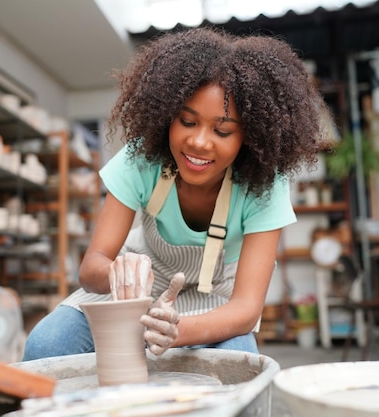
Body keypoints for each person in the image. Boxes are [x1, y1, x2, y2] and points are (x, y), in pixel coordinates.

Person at [23, 27, 329, 360]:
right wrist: (120, 275)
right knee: (47, 345)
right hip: (136, 292)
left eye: (223, 130)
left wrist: (176, 331)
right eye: (186, 121)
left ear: (250, 137)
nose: (199, 142)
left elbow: (246, 307)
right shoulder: (141, 158)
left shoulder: (265, 184)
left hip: (215, 301)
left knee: (240, 365)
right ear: (166, 116)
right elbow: (91, 267)